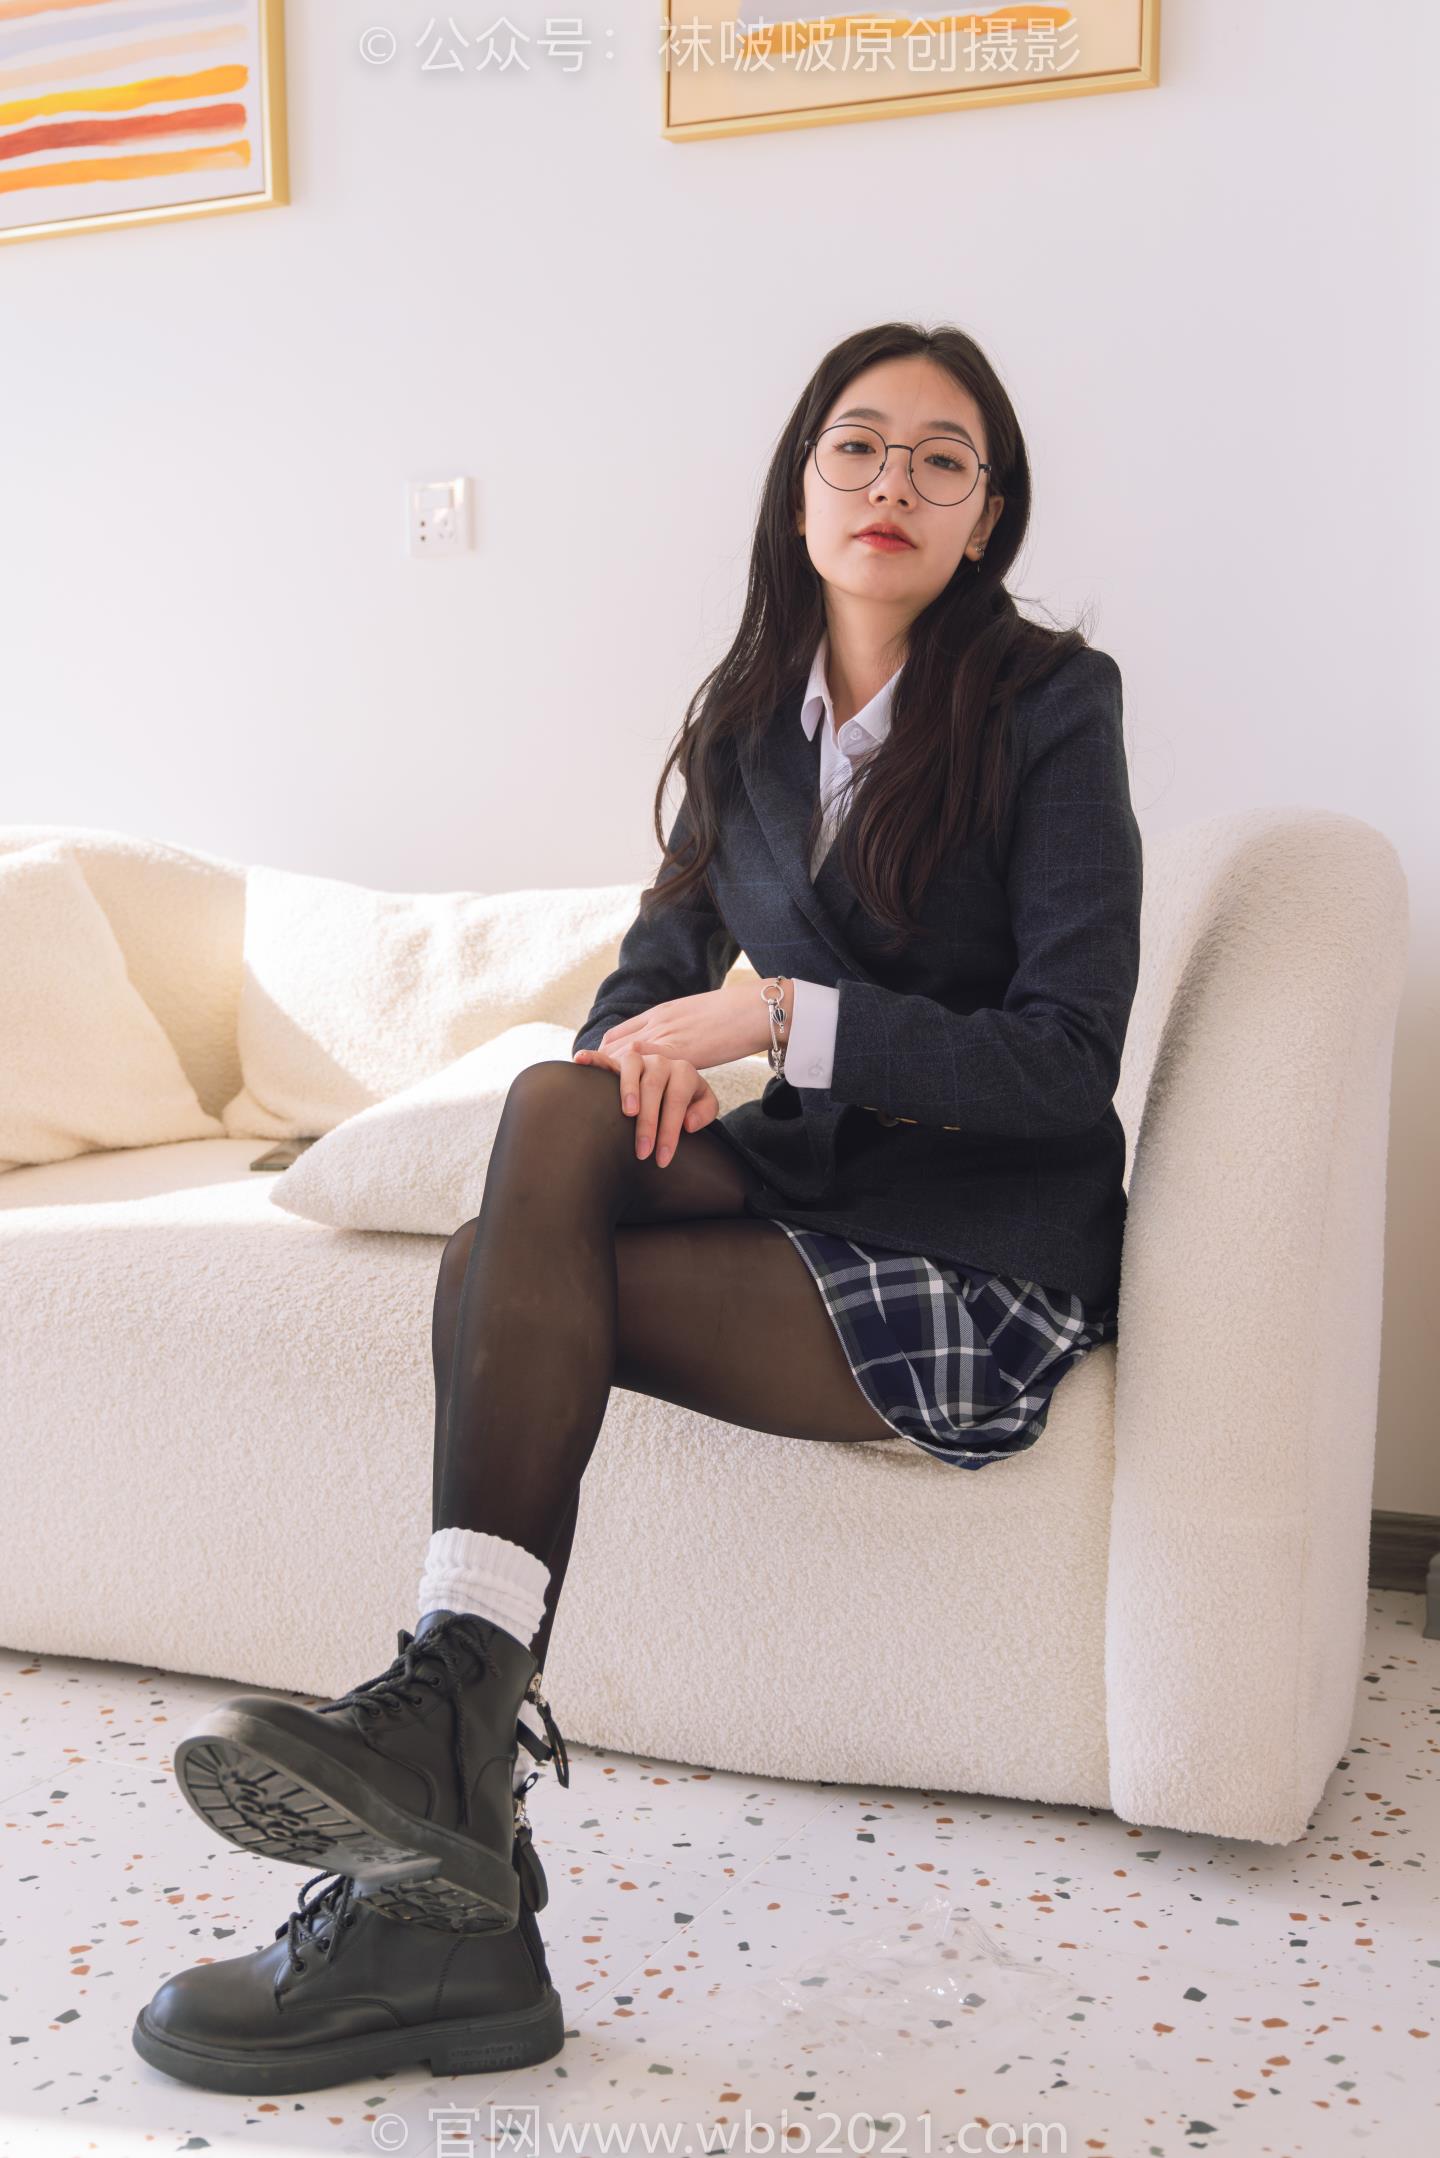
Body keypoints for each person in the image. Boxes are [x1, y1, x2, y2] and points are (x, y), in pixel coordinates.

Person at [131, 319, 1143, 2093]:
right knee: (556, 1113)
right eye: (857, 445)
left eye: (942, 459)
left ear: (987, 515)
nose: (893, 482)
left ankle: (447, 1789)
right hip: (823, 1185)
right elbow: (648, 977)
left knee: (495, 1251)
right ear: (801, 486)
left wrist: (777, 1019)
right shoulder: (751, 719)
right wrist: (640, 1057)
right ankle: (453, 1775)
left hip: (975, 1255)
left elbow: (1065, 1060)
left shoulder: (1051, 704)